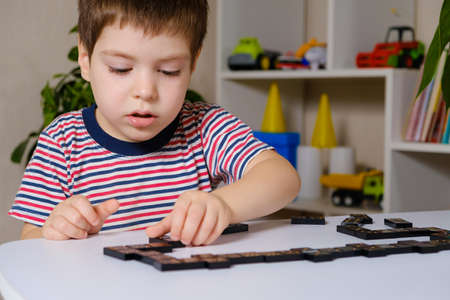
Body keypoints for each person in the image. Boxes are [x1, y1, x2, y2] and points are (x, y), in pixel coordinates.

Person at [9, 0, 301, 246]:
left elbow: (282, 178)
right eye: (121, 69)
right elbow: (30, 240)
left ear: (192, 64)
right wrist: (56, 230)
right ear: (85, 59)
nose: (146, 91)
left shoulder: (205, 128)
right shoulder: (61, 141)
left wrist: (224, 204)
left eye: (169, 71)